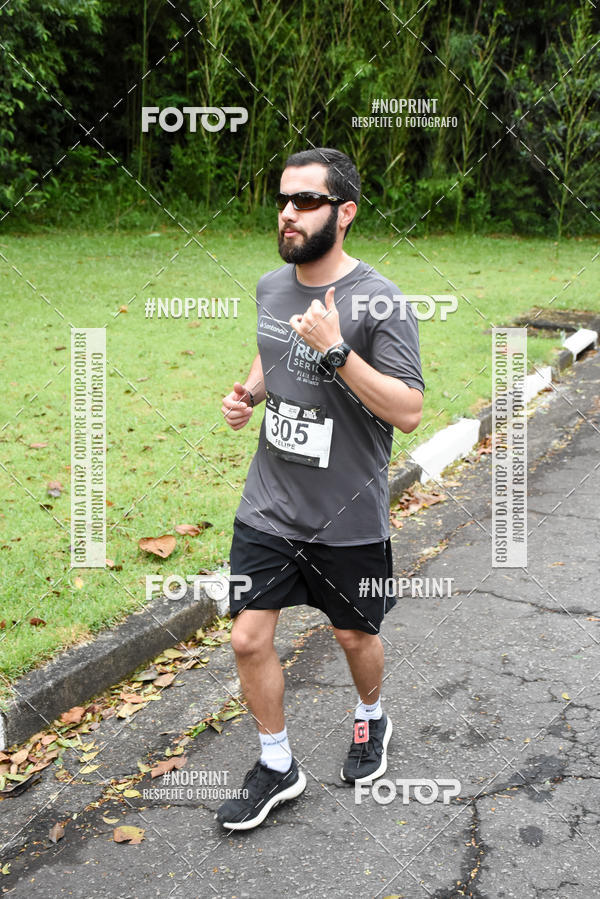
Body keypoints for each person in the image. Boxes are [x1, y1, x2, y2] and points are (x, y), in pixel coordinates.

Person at [217, 147, 424, 830]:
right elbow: (271, 348)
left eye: (307, 200)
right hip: (269, 504)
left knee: (354, 636)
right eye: (284, 198)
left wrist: (337, 350)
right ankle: (277, 763)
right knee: (248, 638)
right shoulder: (272, 286)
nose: (289, 212)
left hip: (346, 515)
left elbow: (407, 409)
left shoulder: (381, 299)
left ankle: (371, 716)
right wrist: (250, 393)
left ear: (345, 212)